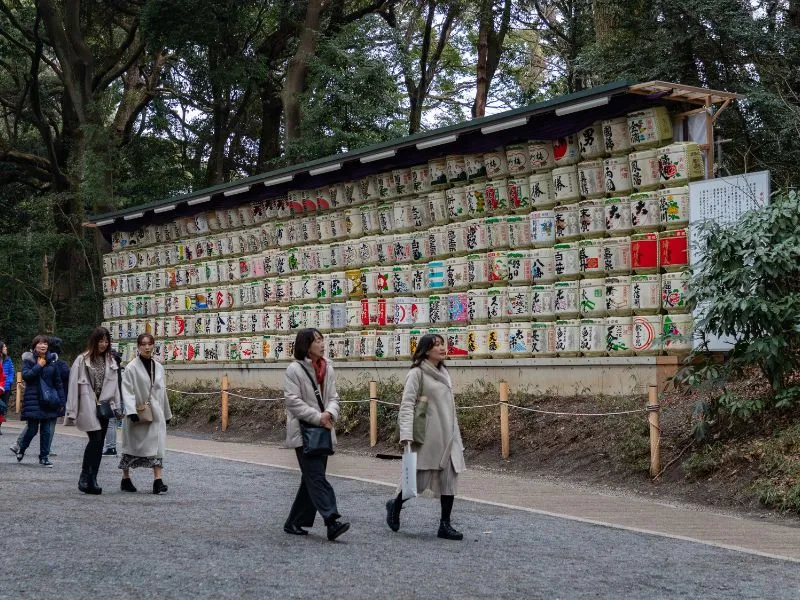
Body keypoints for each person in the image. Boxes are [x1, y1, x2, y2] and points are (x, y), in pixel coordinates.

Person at [385, 333, 466, 540]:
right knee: (416, 480)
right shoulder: (417, 373)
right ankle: (395, 504)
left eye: (442, 344)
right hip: (427, 435)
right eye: (436, 345)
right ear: (426, 350)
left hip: (449, 434)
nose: (441, 348)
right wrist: (406, 434)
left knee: (450, 478)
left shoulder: (444, 372)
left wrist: (456, 433)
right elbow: (407, 404)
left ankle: (444, 525)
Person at [282, 328, 350, 541]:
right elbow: (292, 401)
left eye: (322, 340)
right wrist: (317, 416)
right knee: (317, 478)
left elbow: (334, 397)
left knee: (311, 479)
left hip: (323, 430)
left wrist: (329, 413)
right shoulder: (294, 370)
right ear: (306, 345)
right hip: (303, 432)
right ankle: (331, 521)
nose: (322, 344)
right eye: (317, 341)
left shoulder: (328, 367)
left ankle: (294, 522)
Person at [65, 327, 121, 495]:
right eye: (100, 340)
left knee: (100, 442)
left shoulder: (111, 361)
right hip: (87, 405)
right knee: (95, 439)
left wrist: (118, 407)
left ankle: (93, 478)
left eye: (106, 341)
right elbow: (73, 386)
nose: (103, 344)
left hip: (104, 406)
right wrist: (71, 411)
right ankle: (84, 475)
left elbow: (115, 386)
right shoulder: (82, 360)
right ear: (94, 341)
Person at [118, 333, 172, 494]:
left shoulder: (159, 367)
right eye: (143, 344)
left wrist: (167, 414)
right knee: (131, 447)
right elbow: (127, 390)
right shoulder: (131, 367)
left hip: (156, 413)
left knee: (157, 447)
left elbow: (162, 392)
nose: (147, 347)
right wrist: (131, 410)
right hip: (138, 412)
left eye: (149, 344)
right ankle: (126, 478)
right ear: (138, 346)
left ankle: (158, 480)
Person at [16, 335, 65, 466]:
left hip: (48, 400)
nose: (43, 345)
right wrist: (38, 366)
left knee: (46, 430)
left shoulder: (53, 361)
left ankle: (44, 457)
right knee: (32, 430)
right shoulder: (29, 360)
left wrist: (62, 401)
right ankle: (22, 448)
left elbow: (58, 383)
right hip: (33, 399)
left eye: (45, 343)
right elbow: (27, 376)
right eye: (40, 343)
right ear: (34, 346)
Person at [47, 336, 70, 457]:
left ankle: (19, 444)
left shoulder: (41, 361)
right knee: (50, 423)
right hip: (55, 397)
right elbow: (67, 376)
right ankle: (47, 449)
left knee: (34, 423)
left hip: (43, 396)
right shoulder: (61, 365)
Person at [102, 348, 124, 456]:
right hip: (119, 394)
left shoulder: (111, 364)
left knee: (110, 422)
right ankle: (112, 446)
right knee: (113, 422)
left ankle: (111, 447)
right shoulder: (118, 363)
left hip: (111, 395)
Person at [0, 341, 8, 435]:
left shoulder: (7, 359)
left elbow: (5, 375)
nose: (6, 348)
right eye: (4, 347)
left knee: (2, 407)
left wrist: (3, 386)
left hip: (4, 387)